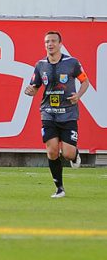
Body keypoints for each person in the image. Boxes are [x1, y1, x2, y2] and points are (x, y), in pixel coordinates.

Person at [24, 30, 89, 198]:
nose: (50, 44)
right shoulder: (40, 65)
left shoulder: (72, 62)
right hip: (48, 113)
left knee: (67, 153)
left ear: (60, 44)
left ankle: (74, 154)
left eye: (53, 41)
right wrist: (30, 91)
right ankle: (59, 188)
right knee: (52, 151)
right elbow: (35, 88)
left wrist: (78, 95)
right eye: (47, 41)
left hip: (68, 114)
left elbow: (85, 81)